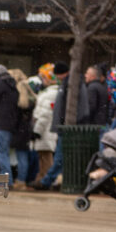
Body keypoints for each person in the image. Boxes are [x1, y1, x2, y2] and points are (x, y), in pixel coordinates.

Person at [30, 61, 89, 190]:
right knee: (60, 157)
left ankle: (47, 181)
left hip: (68, 127)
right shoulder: (68, 83)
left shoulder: (71, 84)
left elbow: (78, 108)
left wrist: (69, 123)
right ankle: (52, 180)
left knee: (59, 157)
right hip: (65, 126)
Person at [30, 64, 59, 184]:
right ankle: (42, 179)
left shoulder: (50, 93)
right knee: (43, 157)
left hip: (45, 130)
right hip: (46, 129)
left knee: (45, 157)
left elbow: (45, 114)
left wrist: (37, 130)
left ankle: (46, 180)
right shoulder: (49, 92)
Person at [9, 68, 37, 190]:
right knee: (23, 155)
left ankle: (20, 181)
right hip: (26, 128)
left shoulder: (18, 90)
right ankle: (22, 180)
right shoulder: (30, 90)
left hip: (19, 129)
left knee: (21, 156)